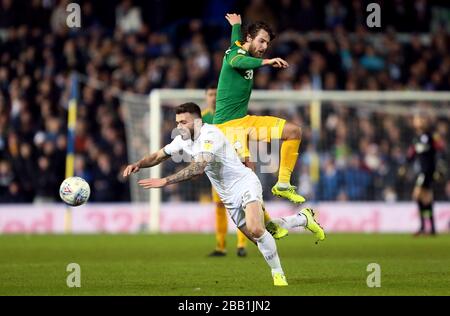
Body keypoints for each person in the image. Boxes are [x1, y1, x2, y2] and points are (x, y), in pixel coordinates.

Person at [123, 103, 325, 286]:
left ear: (198, 121)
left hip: (245, 183)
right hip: (228, 197)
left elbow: (199, 167)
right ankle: (302, 219)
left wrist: (165, 181)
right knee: (264, 234)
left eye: (184, 122)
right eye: (177, 122)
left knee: (256, 228)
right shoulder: (182, 140)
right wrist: (138, 164)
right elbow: (158, 155)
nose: (180, 126)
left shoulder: (211, 135)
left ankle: (278, 274)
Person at [214, 13, 305, 204]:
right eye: (261, 41)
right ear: (248, 38)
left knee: (294, 131)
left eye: (267, 44)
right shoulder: (235, 54)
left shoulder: (240, 47)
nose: (264, 47)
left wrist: (236, 26)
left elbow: (237, 44)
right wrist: (267, 62)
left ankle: (282, 184)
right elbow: (236, 61)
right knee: (248, 178)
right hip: (227, 127)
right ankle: (260, 226)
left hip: (245, 121)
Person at [202, 83, 248, 257]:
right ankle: (221, 246)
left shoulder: (230, 115)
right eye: (210, 94)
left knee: (240, 204)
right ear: (206, 97)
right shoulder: (203, 119)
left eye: (216, 94)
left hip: (234, 167)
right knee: (220, 206)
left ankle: (242, 244)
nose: (213, 97)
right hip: (216, 170)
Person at [407, 114, 444, 236]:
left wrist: (440, 168)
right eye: (417, 119)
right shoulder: (416, 138)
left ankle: (424, 226)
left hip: (427, 171)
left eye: (420, 119)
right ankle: (431, 228)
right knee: (426, 198)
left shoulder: (431, 136)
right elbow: (411, 155)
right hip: (422, 171)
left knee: (417, 195)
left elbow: (440, 150)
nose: (418, 122)